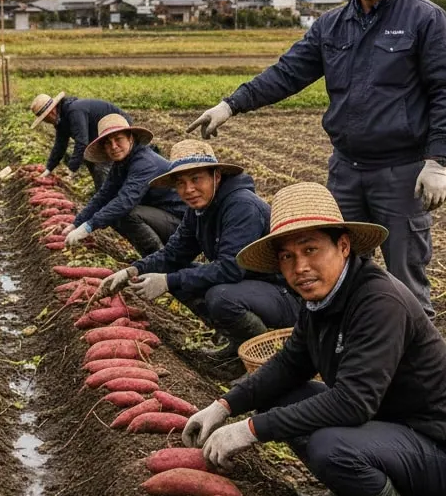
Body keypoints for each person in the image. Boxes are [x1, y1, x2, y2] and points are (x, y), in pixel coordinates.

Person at [182, 183, 446, 496]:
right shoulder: (318, 300)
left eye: (311, 250)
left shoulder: (378, 302)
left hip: (438, 452)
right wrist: (224, 406)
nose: (299, 267)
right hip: (384, 429)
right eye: (287, 256)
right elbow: (288, 365)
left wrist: (249, 430)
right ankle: (352, 493)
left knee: (329, 446)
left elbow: (354, 403)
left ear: (343, 246)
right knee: (280, 395)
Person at [187, 0, 446, 317]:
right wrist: (231, 104)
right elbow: (287, 73)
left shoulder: (424, 19)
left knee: (406, 279)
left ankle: (416, 355)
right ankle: (348, 349)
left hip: (401, 173)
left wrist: (437, 161)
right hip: (346, 171)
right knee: (339, 276)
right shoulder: (332, 25)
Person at [97, 140, 300, 379]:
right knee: (180, 276)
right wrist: (132, 271)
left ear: (216, 176)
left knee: (220, 297)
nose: (189, 190)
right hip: (251, 286)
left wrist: (168, 281)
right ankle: (237, 346)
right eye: (180, 183)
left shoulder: (241, 206)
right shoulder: (198, 211)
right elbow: (173, 255)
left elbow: (230, 269)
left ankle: (264, 358)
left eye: (196, 179)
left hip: (286, 296)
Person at [63, 114, 183, 257]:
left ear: (130, 138)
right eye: (108, 143)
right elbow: (103, 196)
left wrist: (89, 226)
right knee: (110, 212)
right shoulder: (121, 163)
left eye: (118, 139)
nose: (114, 146)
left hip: (182, 223)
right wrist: (76, 224)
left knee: (123, 212)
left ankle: (159, 258)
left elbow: (125, 201)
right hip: (162, 216)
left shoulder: (144, 163)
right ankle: (152, 257)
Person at [29, 91, 124, 189]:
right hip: (98, 136)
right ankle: (102, 192)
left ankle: (111, 194)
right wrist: (48, 169)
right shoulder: (61, 119)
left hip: (117, 130)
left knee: (101, 168)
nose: (46, 122)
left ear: (51, 112)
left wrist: (71, 169)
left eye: (45, 119)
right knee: (89, 158)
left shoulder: (74, 111)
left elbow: (82, 142)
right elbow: (60, 145)